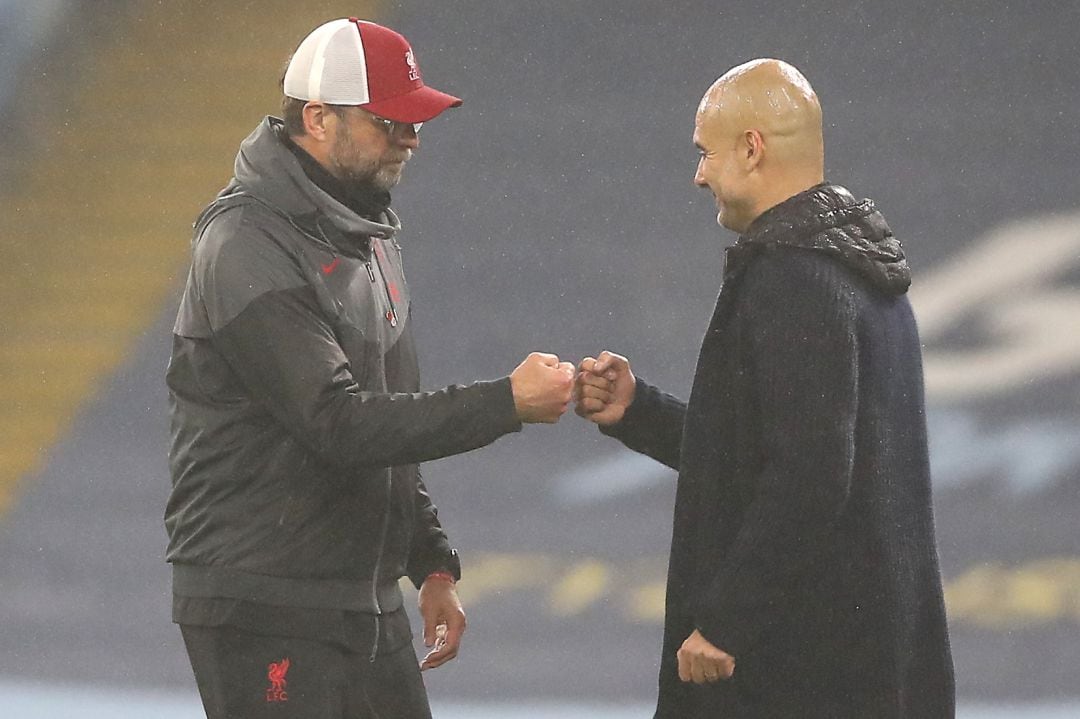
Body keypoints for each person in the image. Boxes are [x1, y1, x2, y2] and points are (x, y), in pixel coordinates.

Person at [164, 18, 574, 718]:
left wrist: (432, 562)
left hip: (355, 595)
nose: (411, 140)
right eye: (390, 122)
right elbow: (340, 423)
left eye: (416, 123)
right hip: (267, 599)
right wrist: (505, 402)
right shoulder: (245, 241)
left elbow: (389, 418)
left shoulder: (367, 235)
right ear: (318, 119)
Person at [575, 59, 954, 717]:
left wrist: (727, 619)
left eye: (705, 153)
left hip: (801, 669)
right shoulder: (860, 268)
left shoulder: (794, 278)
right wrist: (637, 411)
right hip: (871, 659)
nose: (698, 175)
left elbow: (809, 474)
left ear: (752, 149)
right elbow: (766, 449)